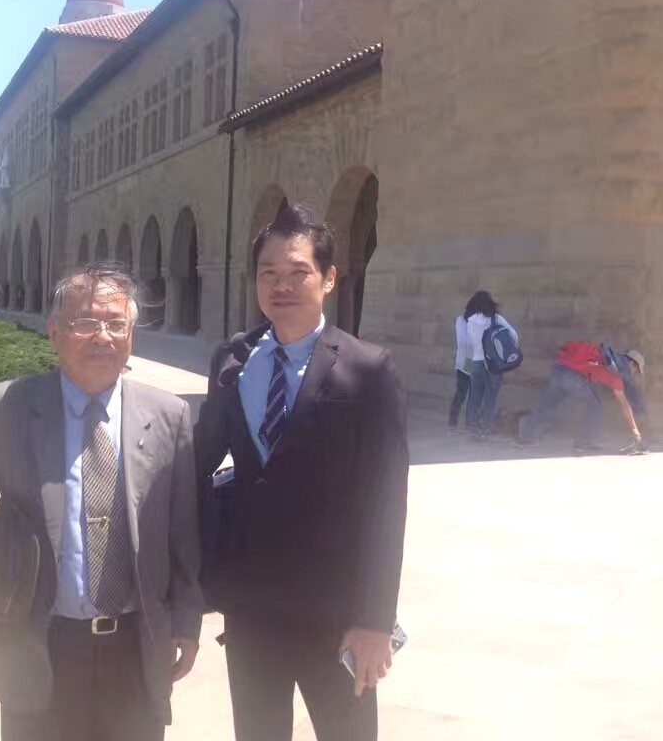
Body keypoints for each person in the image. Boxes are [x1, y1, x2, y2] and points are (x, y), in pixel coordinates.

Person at [0, 263, 203, 741]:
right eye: (86, 322)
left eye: (116, 324)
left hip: (136, 651)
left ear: (131, 335)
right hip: (39, 647)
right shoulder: (7, 410)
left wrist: (188, 619)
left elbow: (183, 533)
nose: (103, 336)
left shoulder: (168, 415)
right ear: (54, 332)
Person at [196, 203, 409, 741]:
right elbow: (195, 464)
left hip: (336, 614)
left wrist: (375, 620)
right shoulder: (232, 361)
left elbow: (387, 505)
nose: (281, 286)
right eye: (268, 273)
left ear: (329, 278)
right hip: (251, 610)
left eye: (298, 272)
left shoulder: (367, 368)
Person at [517, 342, 649, 455]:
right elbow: (624, 405)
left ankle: (527, 438)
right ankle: (583, 443)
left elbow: (567, 348)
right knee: (595, 406)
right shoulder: (615, 370)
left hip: (557, 370)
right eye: (636, 370)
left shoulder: (601, 352)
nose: (634, 373)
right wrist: (635, 432)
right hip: (572, 377)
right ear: (632, 363)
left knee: (546, 404)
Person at [462, 291, 518, 439]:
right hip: (493, 364)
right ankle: (485, 427)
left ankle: (471, 423)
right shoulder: (496, 318)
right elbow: (513, 334)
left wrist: (467, 366)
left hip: (475, 362)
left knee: (474, 395)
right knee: (491, 397)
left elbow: (466, 345)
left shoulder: (470, 320)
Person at [448, 300, 476, 434]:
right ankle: (460, 423)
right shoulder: (465, 323)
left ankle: (459, 422)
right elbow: (467, 343)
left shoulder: (461, 321)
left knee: (465, 394)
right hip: (468, 361)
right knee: (465, 394)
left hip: (465, 361)